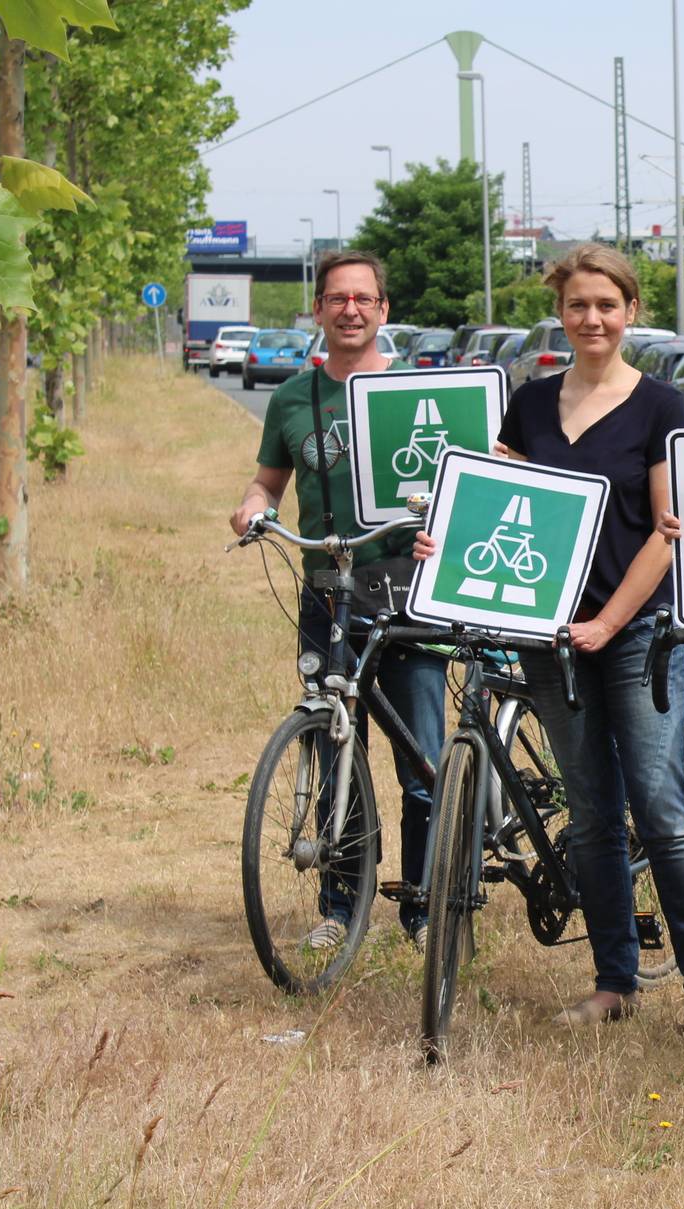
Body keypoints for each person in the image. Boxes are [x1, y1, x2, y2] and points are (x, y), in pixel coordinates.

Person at [414, 243, 684, 1029]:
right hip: (547, 636)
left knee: (658, 804)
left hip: (635, 632)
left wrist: (608, 622)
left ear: (631, 312)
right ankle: (614, 980)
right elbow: (502, 505)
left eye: (607, 305)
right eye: (579, 304)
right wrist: (445, 539)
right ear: (561, 311)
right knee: (589, 811)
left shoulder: (661, 408)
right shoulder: (528, 403)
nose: (593, 318)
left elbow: (666, 534)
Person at [228, 250, 444, 952]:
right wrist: (252, 506)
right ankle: (339, 904)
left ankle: (422, 907)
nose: (350, 309)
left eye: (364, 298)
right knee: (330, 747)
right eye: (336, 298)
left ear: (383, 311)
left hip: (406, 593)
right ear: (318, 311)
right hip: (328, 595)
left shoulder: (419, 395)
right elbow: (269, 480)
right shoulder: (293, 398)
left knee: (422, 761)